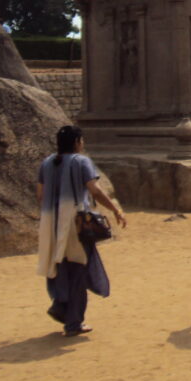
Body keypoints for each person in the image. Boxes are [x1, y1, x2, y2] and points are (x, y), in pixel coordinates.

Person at [37, 125, 127, 337]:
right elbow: (94, 189)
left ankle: (61, 306)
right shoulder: (81, 162)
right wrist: (115, 209)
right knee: (78, 269)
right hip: (74, 225)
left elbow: (40, 195)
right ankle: (73, 323)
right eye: (82, 140)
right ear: (77, 142)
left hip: (51, 223)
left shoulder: (47, 163)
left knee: (59, 266)